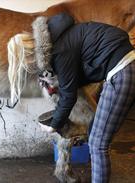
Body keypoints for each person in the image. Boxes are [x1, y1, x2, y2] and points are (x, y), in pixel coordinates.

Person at [8, 13, 135, 183]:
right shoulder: (59, 38)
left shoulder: (60, 50)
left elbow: (69, 96)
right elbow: (82, 74)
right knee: (94, 133)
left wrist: (54, 125)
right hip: (124, 66)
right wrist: (56, 79)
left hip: (122, 70)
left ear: (30, 57)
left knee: (98, 144)